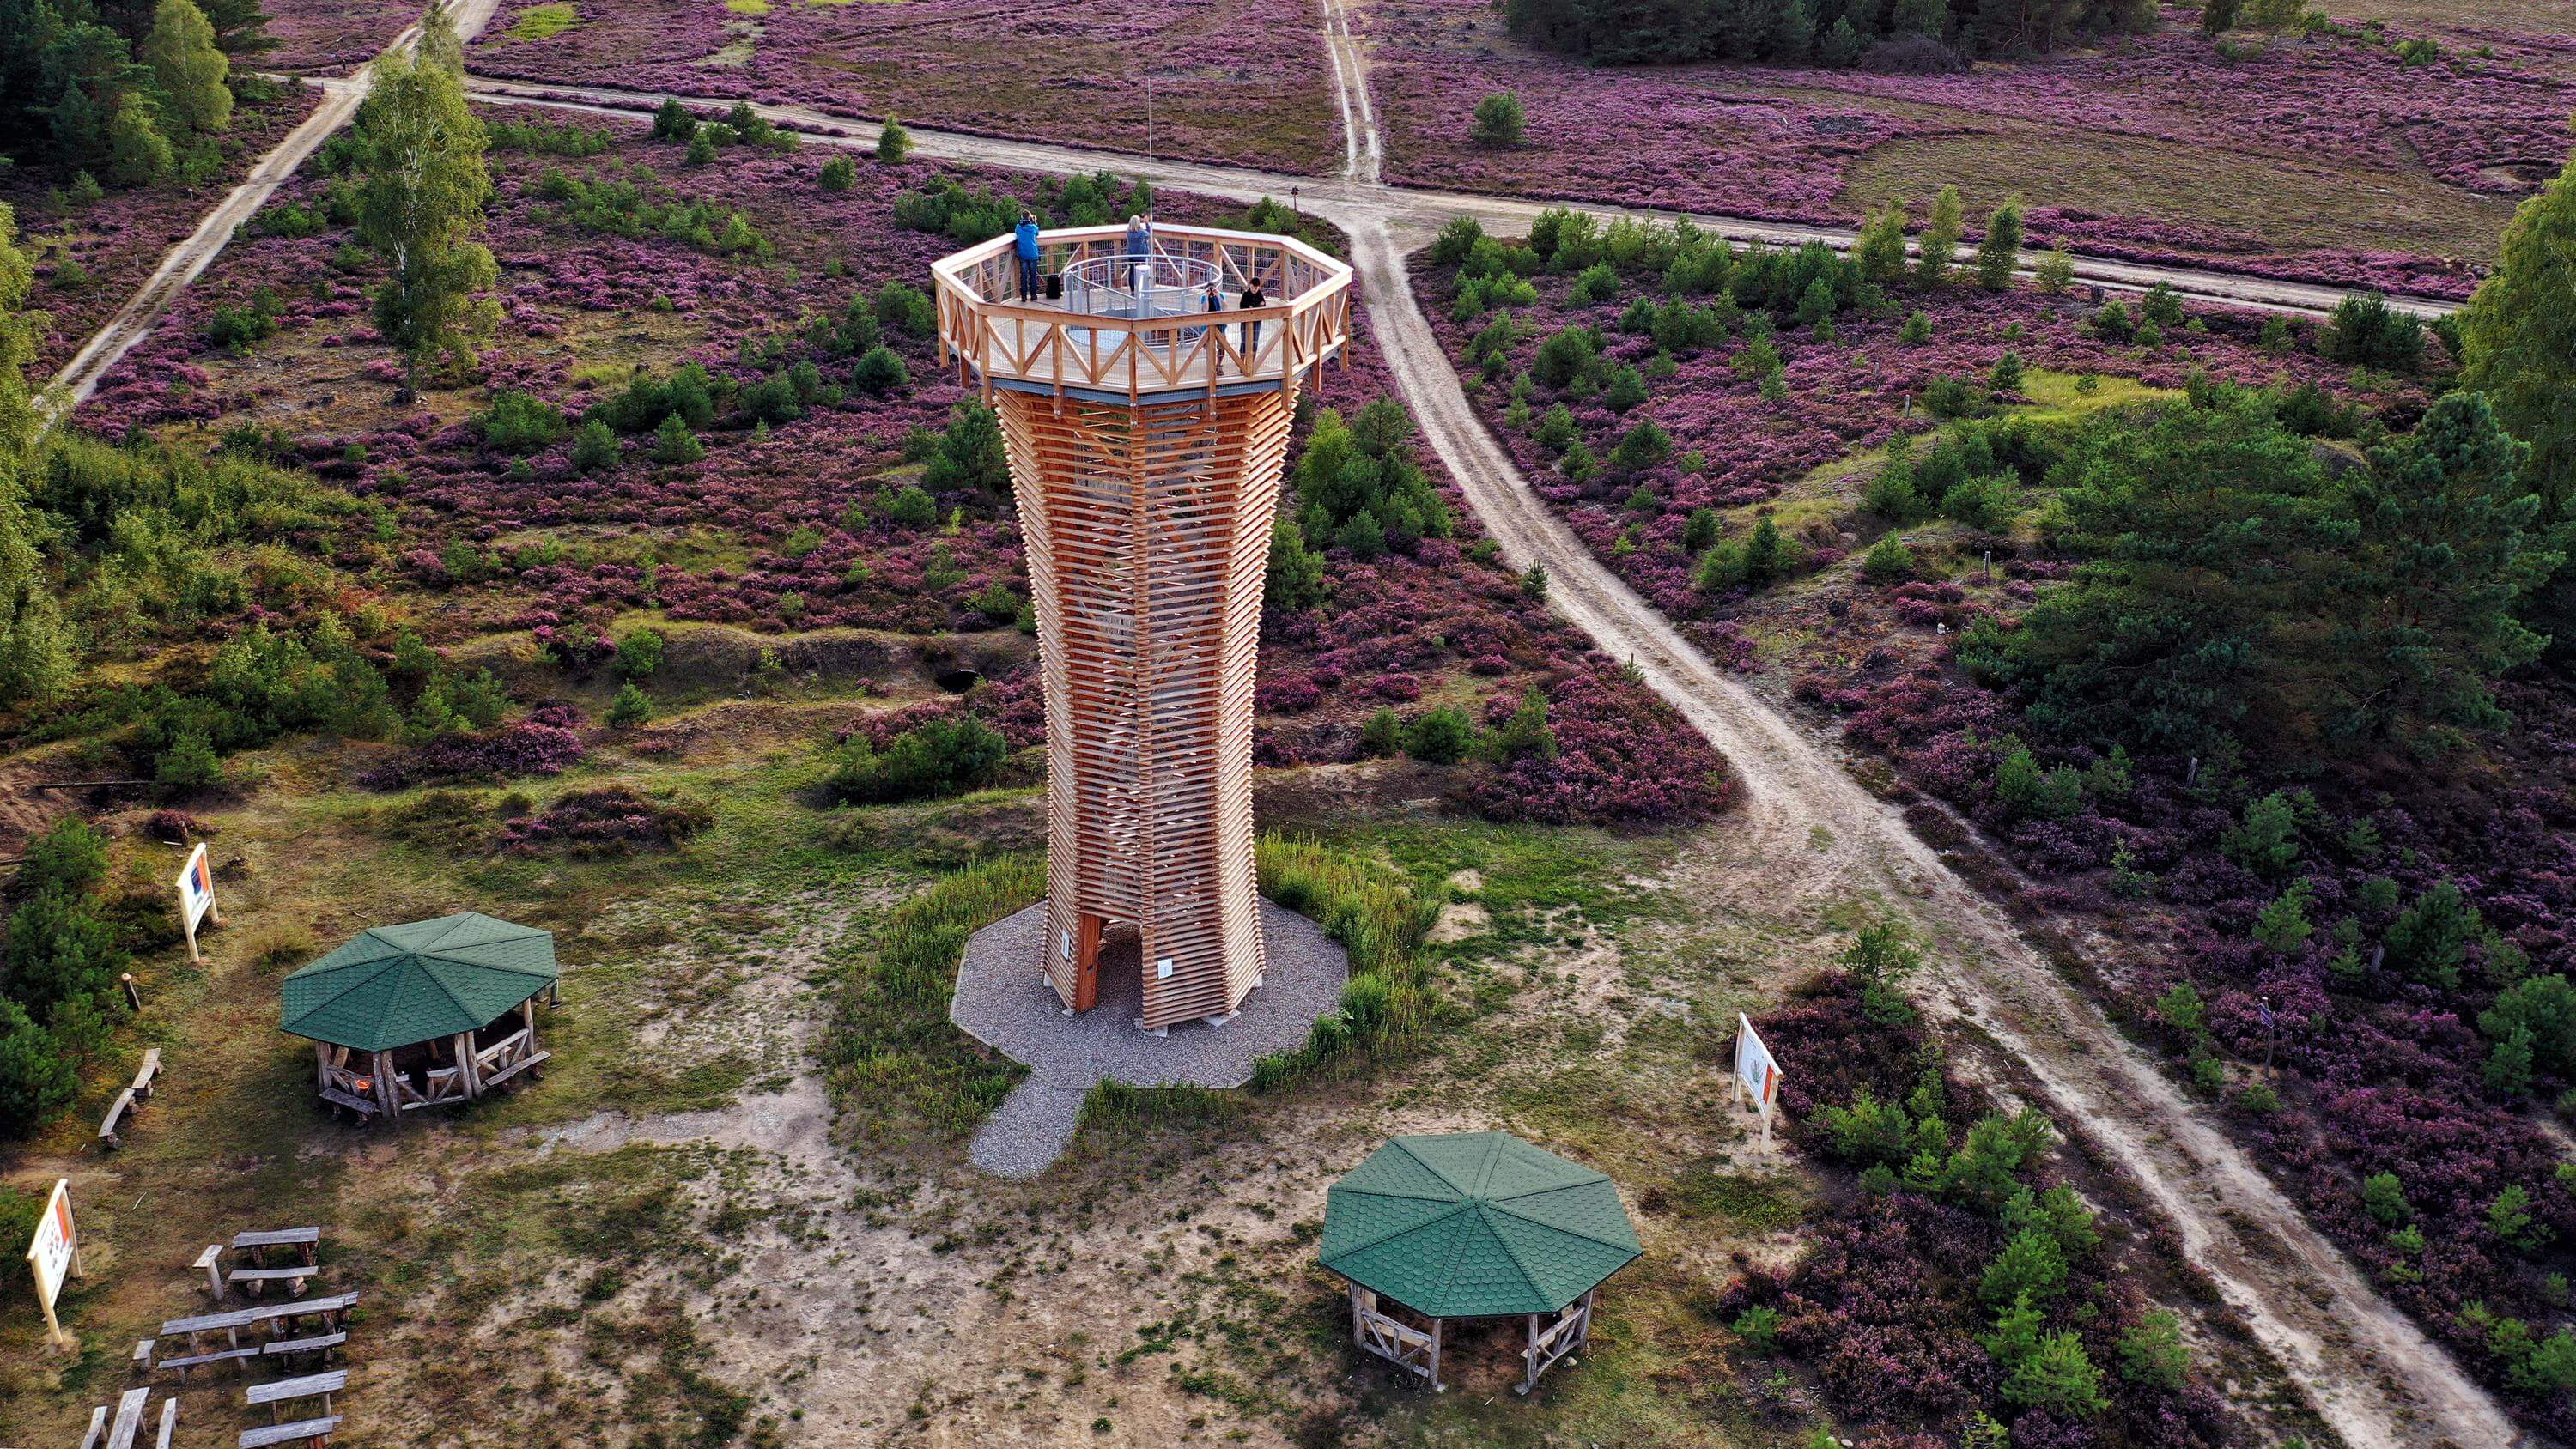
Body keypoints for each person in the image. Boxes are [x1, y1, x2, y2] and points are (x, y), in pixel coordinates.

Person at [1124, 213, 1152, 317]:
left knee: (1132, 273)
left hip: (1132, 256)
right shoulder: (1141, 233)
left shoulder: (1128, 233)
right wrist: (1147, 224)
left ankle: (1132, 291)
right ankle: (1142, 291)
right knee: (1142, 273)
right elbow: (1149, 234)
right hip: (1141, 256)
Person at [1013, 212, 1042, 302]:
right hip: (1033, 254)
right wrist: (1035, 222)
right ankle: (1033, 295)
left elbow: (1017, 233)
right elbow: (1037, 233)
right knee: (1033, 276)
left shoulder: (1018, 227)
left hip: (1023, 255)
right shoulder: (1033, 227)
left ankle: (1024, 296)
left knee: (1024, 276)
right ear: (1030, 218)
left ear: (1022, 217)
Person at [1237, 277, 1267, 360]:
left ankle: (1252, 363)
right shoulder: (1246, 294)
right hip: (1245, 320)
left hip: (1257, 321)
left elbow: (1263, 305)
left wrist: (1252, 306)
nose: (1254, 290)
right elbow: (1242, 307)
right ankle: (1242, 362)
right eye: (1252, 288)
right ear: (1250, 286)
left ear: (1259, 287)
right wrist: (1257, 305)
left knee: (1255, 341)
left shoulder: (1259, 294)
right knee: (1244, 341)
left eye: (1256, 288)